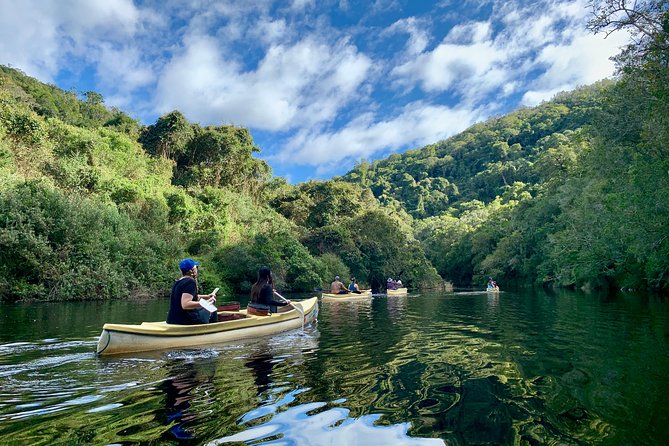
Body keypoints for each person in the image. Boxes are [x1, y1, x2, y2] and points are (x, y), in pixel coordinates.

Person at [167, 258, 217, 325]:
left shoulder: (179, 281)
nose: (197, 269)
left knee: (206, 309)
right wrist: (205, 303)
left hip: (172, 319)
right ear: (192, 270)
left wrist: (207, 296)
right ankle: (213, 331)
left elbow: (191, 296)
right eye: (196, 267)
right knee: (212, 309)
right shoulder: (190, 282)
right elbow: (185, 304)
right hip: (184, 320)